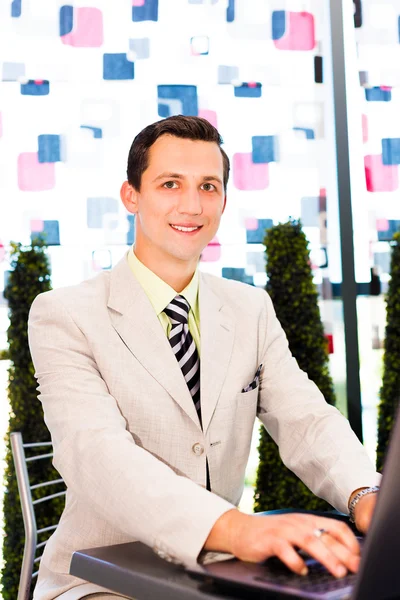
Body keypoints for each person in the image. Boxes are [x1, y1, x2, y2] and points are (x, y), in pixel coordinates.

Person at [28, 115, 381, 600]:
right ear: (132, 196)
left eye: (208, 186)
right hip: (99, 579)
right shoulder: (64, 313)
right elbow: (96, 455)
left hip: (218, 573)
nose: (192, 206)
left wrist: (366, 493)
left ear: (223, 200)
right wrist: (239, 530)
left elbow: (305, 417)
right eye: (170, 183)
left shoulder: (249, 307)